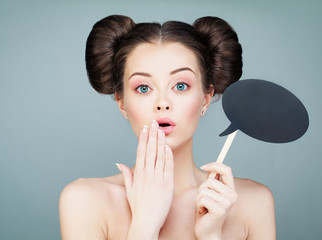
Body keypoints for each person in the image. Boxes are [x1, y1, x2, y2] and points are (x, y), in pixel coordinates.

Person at [59, 15, 276, 240]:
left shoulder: (254, 202)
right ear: (122, 103)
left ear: (206, 98)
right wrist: (145, 225)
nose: (163, 103)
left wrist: (211, 235)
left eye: (180, 86)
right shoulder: (84, 201)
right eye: (143, 88)